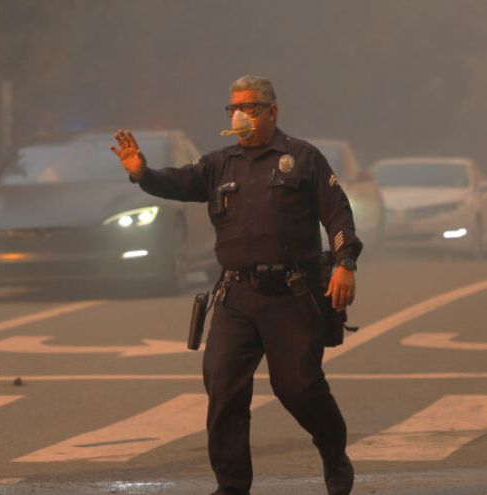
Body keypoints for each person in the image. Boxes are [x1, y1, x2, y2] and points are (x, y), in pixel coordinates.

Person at [111, 75, 361, 495]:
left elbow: (338, 214)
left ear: (272, 112)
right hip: (236, 296)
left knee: (298, 388)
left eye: (250, 107)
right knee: (223, 386)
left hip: (290, 295)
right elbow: (179, 182)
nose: (240, 115)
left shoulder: (302, 159)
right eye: (234, 108)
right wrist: (143, 174)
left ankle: (334, 453)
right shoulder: (218, 164)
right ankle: (231, 486)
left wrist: (345, 263)